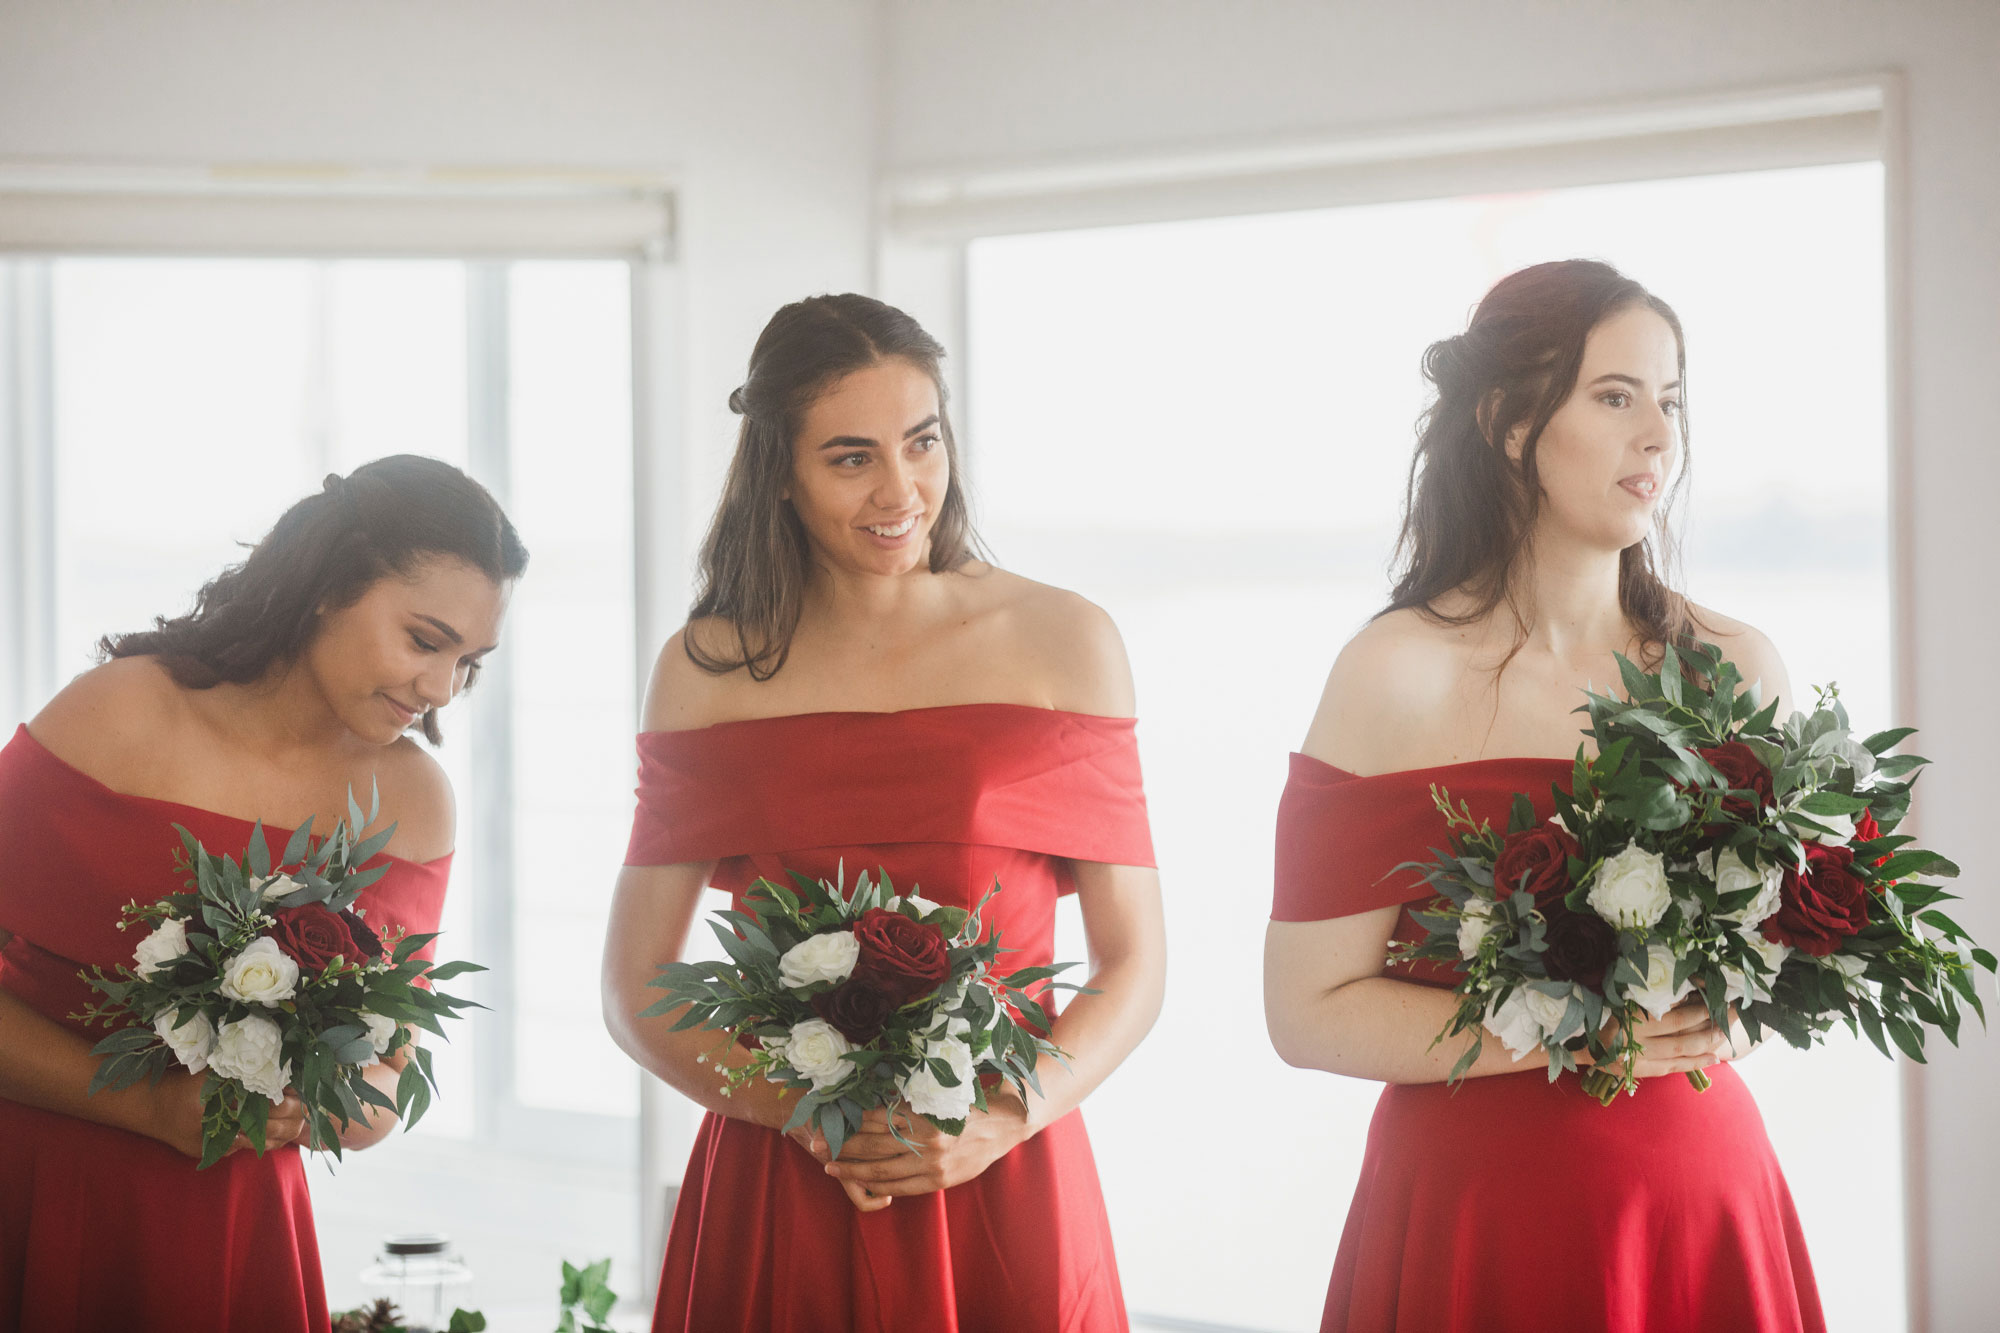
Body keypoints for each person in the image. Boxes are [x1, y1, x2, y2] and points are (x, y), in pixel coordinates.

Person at [1263, 261, 1824, 1333]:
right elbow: (1304, 1014)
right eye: (1615, 396)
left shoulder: (1737, 667)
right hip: (1473, 1211)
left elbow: (1768, 972)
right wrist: (1570, 1035)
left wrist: (1727, 1019)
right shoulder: (1392, 674)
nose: (1657, 437)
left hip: (1695, 1196)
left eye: (1669, 401)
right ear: (1510, 423)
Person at [603, 294, 1167, 1333]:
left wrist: (1001, 1118)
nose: (900, 490)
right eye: (851, 457)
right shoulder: (707, 668)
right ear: (780, 470)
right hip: (786, 1176)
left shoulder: (1065, 640)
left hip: (1004, 1172)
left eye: (922, 441)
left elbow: (1134, 963)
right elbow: (634, 984)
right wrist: (808, 1116)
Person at [0, 454, 526, 1333]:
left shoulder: (417, 803)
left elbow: (380, 1089)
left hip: (237, 1223)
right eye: (425, 641)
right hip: (37, 1180)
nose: (440, 688)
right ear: (328, 587)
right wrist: (147, 1106)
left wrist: (332, 1102)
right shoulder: (119, 714)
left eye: (469, 662)